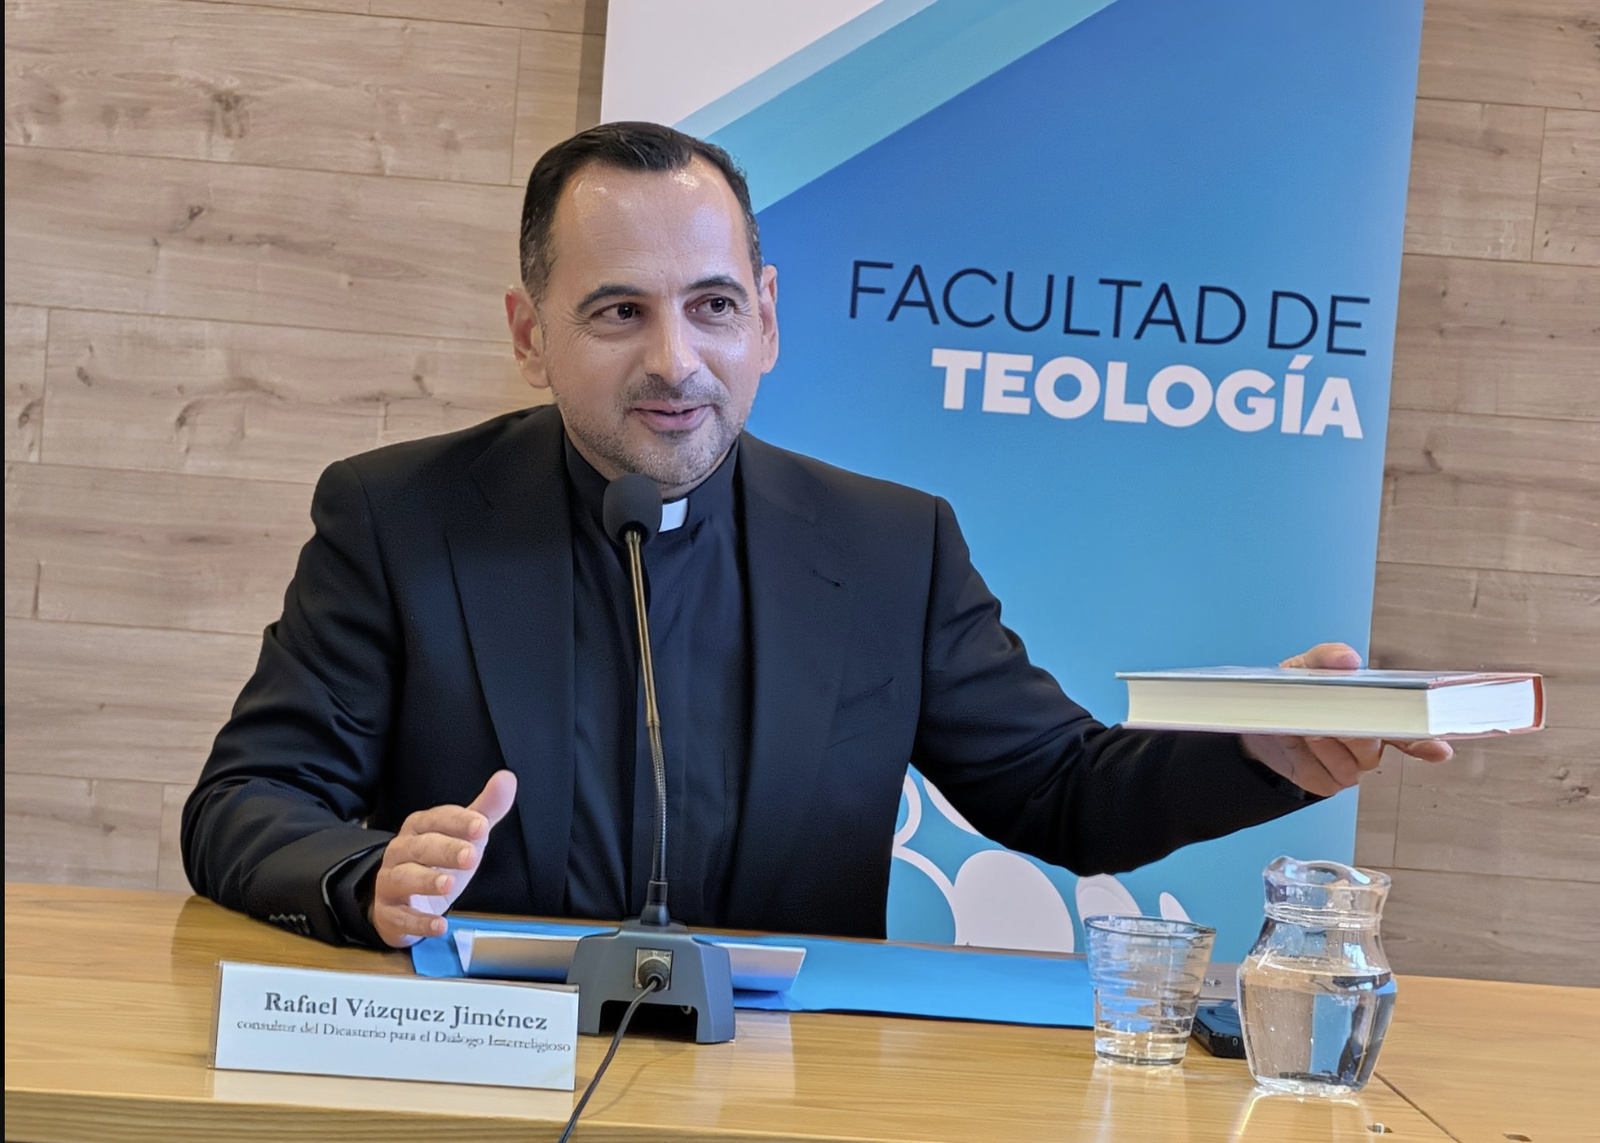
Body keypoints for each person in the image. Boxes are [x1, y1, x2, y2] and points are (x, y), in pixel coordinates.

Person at [182, 122, 1451, 950]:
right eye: (617, 311)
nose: (675, 361)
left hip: (789, 1089)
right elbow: (243, 803)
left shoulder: (892, 547)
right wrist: (369, 878)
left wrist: (1257, 748)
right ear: (529, 333)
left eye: (713, 305)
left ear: (767, 318)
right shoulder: (395, 515)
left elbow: (1064, 795)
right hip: (481, 1076)